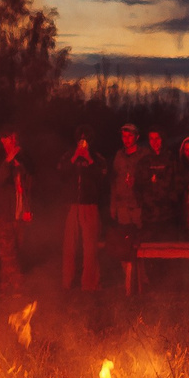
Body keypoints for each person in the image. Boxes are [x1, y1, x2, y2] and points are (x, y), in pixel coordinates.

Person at [0, 132, 33, 292]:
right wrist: (7, 161)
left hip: (18, 215)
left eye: (14, 140)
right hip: (2, 215)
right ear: (1, 143)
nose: (12, 143)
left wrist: (27, 210)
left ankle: (6, 286)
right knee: (8, 254)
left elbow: (26, 189)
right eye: (8, 141)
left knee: (15, 253)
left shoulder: (20, 164)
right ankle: (18, 286)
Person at [61, 134, 105, 291]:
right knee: (69, 246)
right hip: (72, 205)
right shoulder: (69, 155)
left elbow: (102, 178)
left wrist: (89, 160)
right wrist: (74, 158)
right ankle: (67, 282)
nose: (82, 143)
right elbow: (61, 173)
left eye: (85, 140)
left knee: (90, 245)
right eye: (80, 140)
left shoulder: (97, 157)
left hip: (90, 205)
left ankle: (90, 284)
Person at [106, 124, 146, 292]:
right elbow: (114, 182)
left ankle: (143, 281)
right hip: (122, 205)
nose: (126, 139)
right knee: (123, 244)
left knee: (140, 245)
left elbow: (149, 180)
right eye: (124, 136)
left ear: (137, 136)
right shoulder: (118, 156)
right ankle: (129, 281)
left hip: (138, 205)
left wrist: (138, 183)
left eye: (129, 136)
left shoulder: (144, 155)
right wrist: (113, 204)